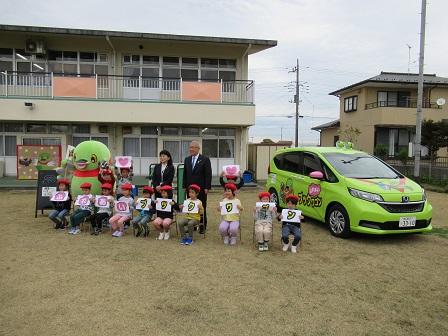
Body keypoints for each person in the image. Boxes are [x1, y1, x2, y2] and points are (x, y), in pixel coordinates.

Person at [183, 140, 212, 234]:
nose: (191, 149)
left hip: (201, 188)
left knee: (201, 206)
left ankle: (202, 225)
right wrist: (184, 186)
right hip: (190, 189)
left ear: (198, 148)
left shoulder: (205, 159)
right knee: (191, 206)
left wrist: (207, 187)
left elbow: (208, 174)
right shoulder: (187, 159)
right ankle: (193, 225)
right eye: (190, 147)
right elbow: (185, 174)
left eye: (193, 147)